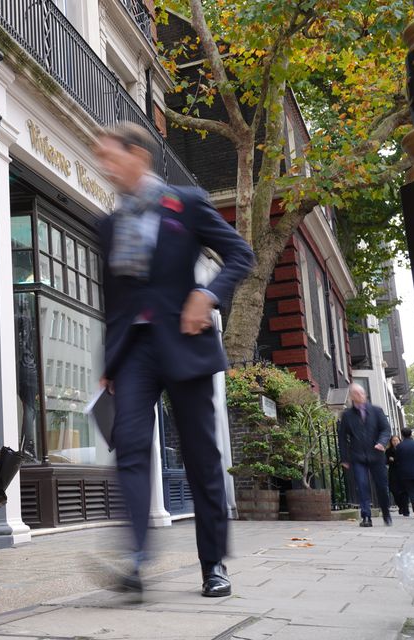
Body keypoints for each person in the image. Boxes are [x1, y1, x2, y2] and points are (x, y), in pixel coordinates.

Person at [92, 123, 254, 599]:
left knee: (202, 456)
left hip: (186, 340)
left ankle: (213, 564)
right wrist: (110, 360)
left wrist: (207, 294)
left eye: (110, 156)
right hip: (134, 352)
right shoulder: (109, 224)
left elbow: (239, 254)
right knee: (131, 446)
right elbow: (115, 300)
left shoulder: (186, 203)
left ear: (137, 155)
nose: (105, 166)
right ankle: (137, 560)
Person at [338, 383, 392, 527]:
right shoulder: (347, 415)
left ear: (365, 394)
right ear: (351, 397)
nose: (359, 396)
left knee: (381, 486)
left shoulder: (376, 411)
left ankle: (386, 512)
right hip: (358, 457)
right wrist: (344, 458)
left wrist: (382, 442)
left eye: (361, 393)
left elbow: (386, 430)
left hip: (377, 455)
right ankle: (366, 516)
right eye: (355, 394)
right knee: (362, 485)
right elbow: (342, 437)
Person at [394, 427, 414, 517]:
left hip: (406, 473)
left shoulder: (400, 446)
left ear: (402, 435)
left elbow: (397, 459)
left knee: (412, 492)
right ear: (411, 434)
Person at [387, 435, 409, 516]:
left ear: (400, 441)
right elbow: (386, 461)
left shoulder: (404, 449)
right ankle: (401, 506)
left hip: (403, 472)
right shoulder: (388, 451)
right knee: (394, 491)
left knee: (404, 491)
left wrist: (394, 459)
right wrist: (390, 460)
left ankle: (406, 509)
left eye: (397, 440)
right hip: (393, 473)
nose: (395, 442)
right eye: (393, 440)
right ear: (391, 442)